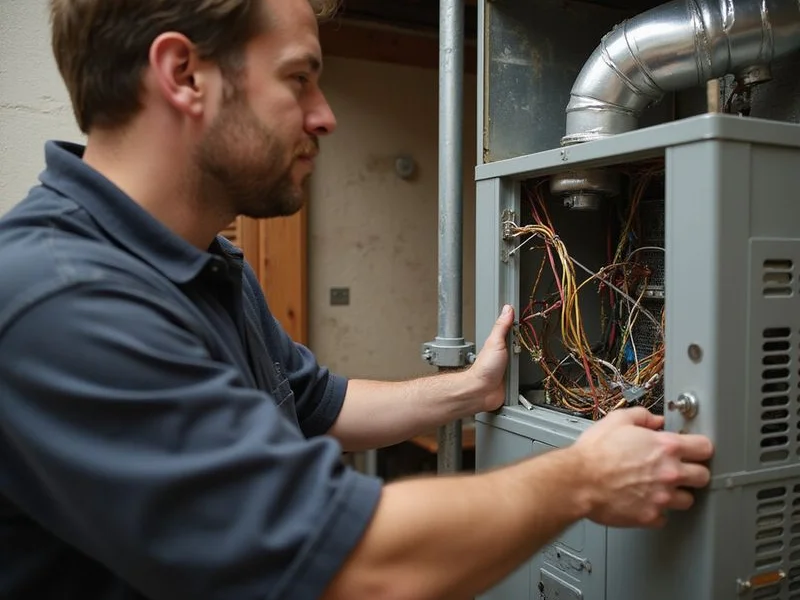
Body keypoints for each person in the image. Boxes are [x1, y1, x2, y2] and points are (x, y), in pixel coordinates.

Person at [0, 0, 714, 598]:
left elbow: (319, 402)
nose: (324, 115)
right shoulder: (61, 301)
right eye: (300, 79)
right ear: (184, 74)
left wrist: (471, 390)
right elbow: (351, 565)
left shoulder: (210, 266)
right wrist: (584, 479)